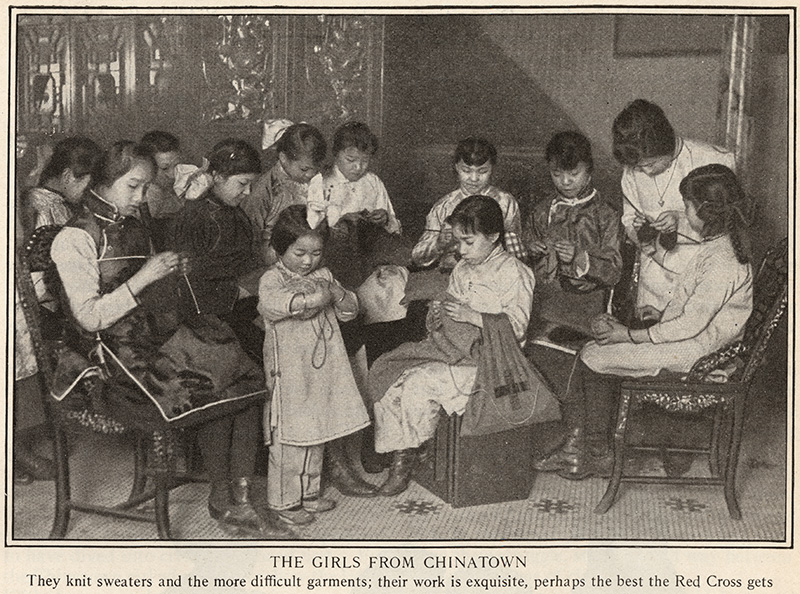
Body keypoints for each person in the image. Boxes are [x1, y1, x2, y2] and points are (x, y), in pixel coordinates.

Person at [49, 141, 290, 537]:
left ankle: (235, 497)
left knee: (239, 367)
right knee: (206, 377)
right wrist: (146, 276)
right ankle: (224, 496)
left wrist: (172, 273)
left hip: (151, 334)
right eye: (133, 187)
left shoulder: (131, 223)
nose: (141, 197)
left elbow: (157, 288)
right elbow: (90, 318)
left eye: (144, 187)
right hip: (109, 358)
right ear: (105, 182)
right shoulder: (74, 237)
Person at [535, 164, 753, 479]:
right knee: (595, 351)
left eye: (688, 207)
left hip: (699, 356)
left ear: (706, 212)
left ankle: (594, 451)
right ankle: (589, 447)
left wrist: (628, 334)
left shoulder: (722, 261)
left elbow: (690, 327)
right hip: (698, 344)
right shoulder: (720, 246)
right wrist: (661, 315)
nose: (685, 213)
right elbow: (700, 312)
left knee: (593, 355)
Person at [369, 196, 537, 496]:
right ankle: (409, 453)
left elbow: (518, 328)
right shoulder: (462, 269)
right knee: (391, 370)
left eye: (468, 242)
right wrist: (439, 315)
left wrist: (473, 316)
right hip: (457, 351)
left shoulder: (516, 272)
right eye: (458, 241)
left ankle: (407, 458)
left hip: (496, 362)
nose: (461, 250)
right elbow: (450, 315)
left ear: (494, 236)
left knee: (418, 383)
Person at [258, 205, 377, 526]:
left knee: (317, 431)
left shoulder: (324, 276)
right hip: (291, 375)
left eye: (316, 253)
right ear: (279, 249)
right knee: (291, 438)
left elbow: (351, 310)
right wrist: (311, 300)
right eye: (299, 253)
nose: (308, 261)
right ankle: (284, 499)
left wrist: (337, 293)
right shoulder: (272, 279)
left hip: (324, 373)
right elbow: (272, 306)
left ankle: (308, 492)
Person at [613, 99, 736, 315]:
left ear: (666, 144)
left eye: (651, 164)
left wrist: (679, 221)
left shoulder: (714, 159)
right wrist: (640, 231)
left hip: (700, 276)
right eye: (639, 168)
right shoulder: (633, 170)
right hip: (654, 282)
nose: (647, 172)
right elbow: (628, 217)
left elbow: (727, 224)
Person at [170, 139, 265, 363]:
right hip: (211, 317)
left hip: (241, 304)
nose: (248, 192)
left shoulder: (233, 211)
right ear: (218, 176)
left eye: (251, 184)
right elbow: (188, 283)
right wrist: (240, 291)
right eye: (242, 183)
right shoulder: (196, 216)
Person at [523, 131, 622, 337]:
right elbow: (522, 259)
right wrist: (531, 249)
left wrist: (580, 257)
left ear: (589, 170)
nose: (565, 182)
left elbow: (614, 271)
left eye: (573, 174)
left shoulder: (606, 214)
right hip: (544, 302)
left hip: (588, 305)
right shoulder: (542, 211)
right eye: (556, 174)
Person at [411, 137, 525, 269]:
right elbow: (417, 257)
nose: (474, 178)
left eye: (482, 171)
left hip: (493, 273)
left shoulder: (505, 202)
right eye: (466, 170)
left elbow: (515, 248)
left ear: (492, 169)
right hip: (449, 274)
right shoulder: (443, 206)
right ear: (456, 168)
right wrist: (439, 243)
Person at [241, 121, 328, 266]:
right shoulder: (264, 189)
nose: (310, 174)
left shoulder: (317, 180)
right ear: (283, 158)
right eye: (304, 169)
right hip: (275, 255)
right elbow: (250, 233)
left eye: (315, 168)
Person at [21, 136, 103, 234]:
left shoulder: (60, 203)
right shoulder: (43, 205)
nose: (90, 192)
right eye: (88, 186)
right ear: (67, 176)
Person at [140, 130, 184, 219]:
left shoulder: (175, 190)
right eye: (164, 168)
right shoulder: (151, 193)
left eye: (176, 166)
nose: (172, 175)